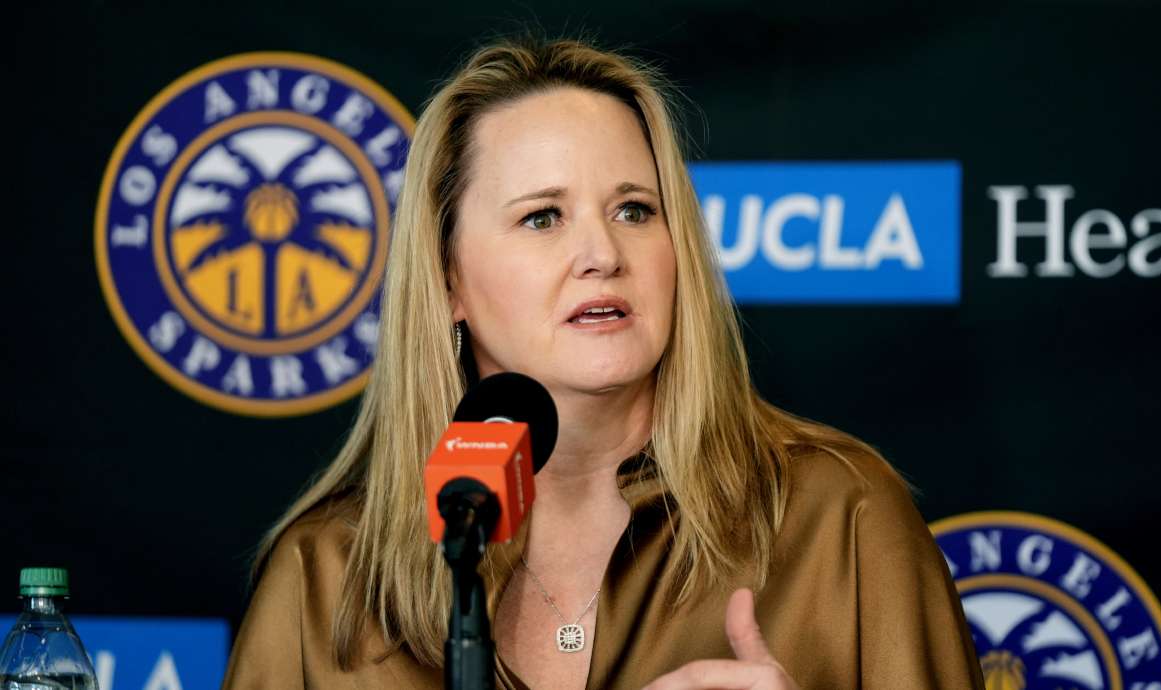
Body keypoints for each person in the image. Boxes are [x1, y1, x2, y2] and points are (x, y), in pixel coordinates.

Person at [222, 36, 984, 690]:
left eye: (634, 210)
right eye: (543, 217)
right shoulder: (324, 580)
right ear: (447, 277)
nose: (602, 255)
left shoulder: (839, 516)